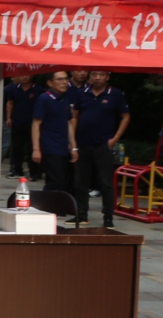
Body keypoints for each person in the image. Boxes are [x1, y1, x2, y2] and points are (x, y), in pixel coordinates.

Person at [74, 70, 129, 227]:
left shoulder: (115, 94)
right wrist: (72, 141)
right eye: (94, 74)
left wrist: (115, 139)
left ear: (107, 77)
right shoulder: (81, 93)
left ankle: (108, 217)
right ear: (90, 77)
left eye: (101, 74)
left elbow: (125, 116)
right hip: (82, 144)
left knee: (106, 183)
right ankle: (81, 215)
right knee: (81, 182)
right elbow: (74, 116)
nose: (97, 77)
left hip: (104, 145)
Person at [32, 70, 78, 194]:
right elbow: (36, 124)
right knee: (57, 182)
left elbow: (69, 122)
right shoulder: (44, 99)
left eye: (66, 79)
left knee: (65, 182)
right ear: (50, 83)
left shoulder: (65, 99)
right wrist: (36, 149)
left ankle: (53, 204)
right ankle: (40, 201)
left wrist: (73, 146)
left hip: (63, 147)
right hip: (49, 147)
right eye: (60, 79)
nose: (64, 82)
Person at [5, 74, 44, 180]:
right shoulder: (14, 88)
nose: (25, 77)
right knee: (16, 147)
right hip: (17, 121)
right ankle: (16, 169)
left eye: (27, 75)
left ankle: (34, 172)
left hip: (32, 123)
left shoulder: (38, 89)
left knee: (32, 147)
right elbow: (10, 103)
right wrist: (8, 118)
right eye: (23, 75)